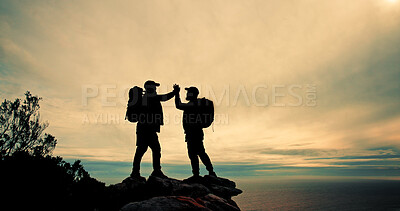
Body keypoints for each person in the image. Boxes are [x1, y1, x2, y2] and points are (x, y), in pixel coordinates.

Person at [131, 80, 177, 179]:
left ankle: (136, 172)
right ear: (150, 88)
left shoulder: (145, 98)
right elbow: (164, 97)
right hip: (147, 129)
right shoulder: (151, 97)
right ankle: (155, 171)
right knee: (154, 149)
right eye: (154, 87)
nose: (156, 88)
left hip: (143, 128)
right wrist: (175, 92)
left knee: (142, 150)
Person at [174, 85, 217, 179]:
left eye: (188, 92)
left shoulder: (193, 104)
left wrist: (176, 93)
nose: (187, 94)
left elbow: (178, 105)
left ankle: (199, 174)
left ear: (193, 94)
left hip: (193, 133)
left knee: (195, 153)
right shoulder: (196, 104)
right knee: (199, 152)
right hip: (195, 132)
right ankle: (208, 172)